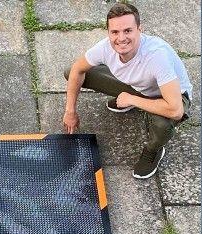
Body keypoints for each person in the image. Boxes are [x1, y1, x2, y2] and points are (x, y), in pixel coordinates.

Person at [62, 2, 193, 179]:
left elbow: (176, 110)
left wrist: (133, 100)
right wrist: (70, 111)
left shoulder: (157, 56)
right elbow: (77, 69)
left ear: (140, 29)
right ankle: (130, 99)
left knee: (162, 125)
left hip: (170, 96)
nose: (121, 38)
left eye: (128, 31)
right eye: (115, 32)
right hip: (138, 86)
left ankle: (153, 150)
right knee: (71, 73)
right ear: (108, 32)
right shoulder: (105, 47)